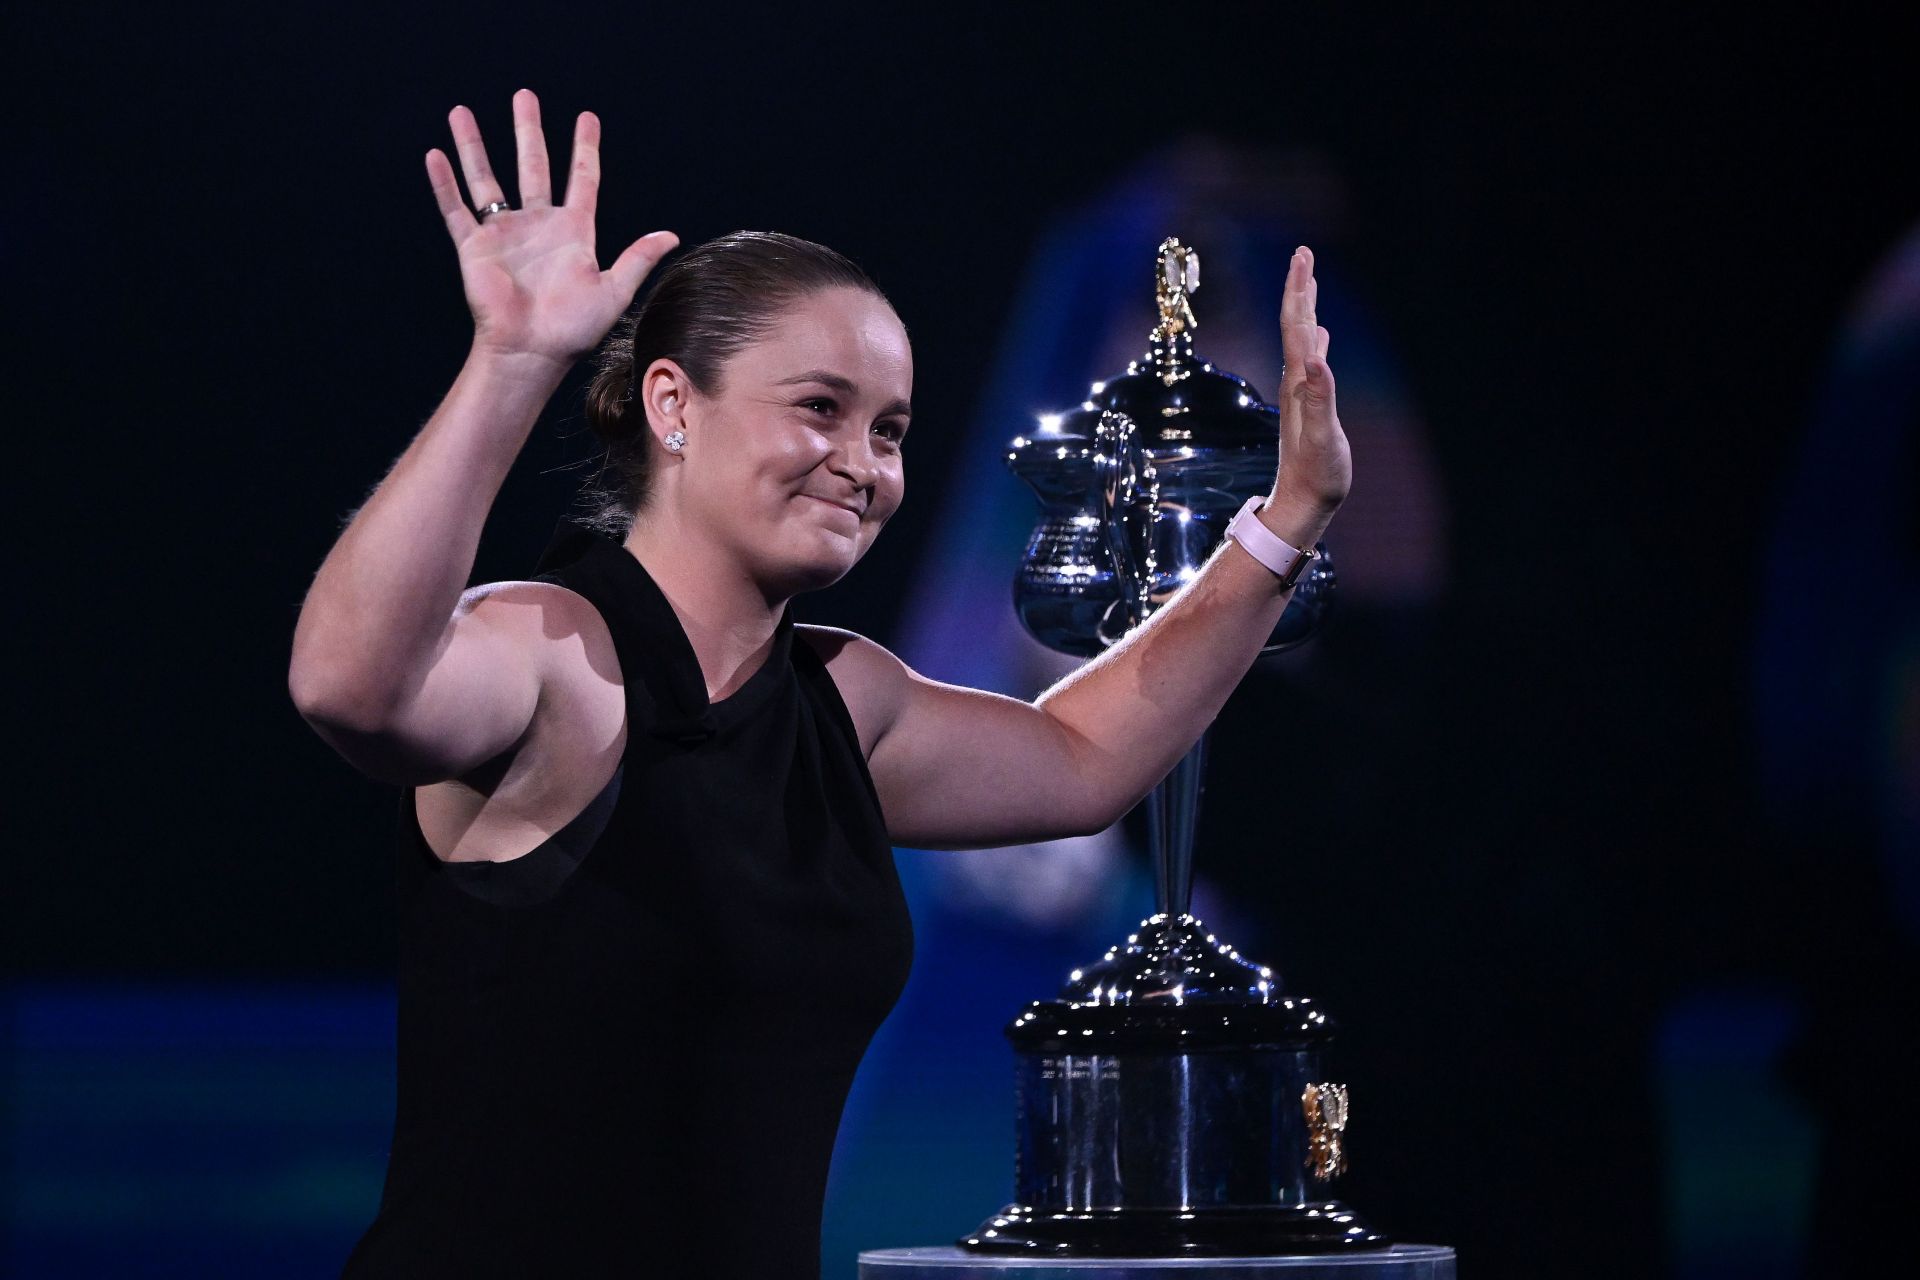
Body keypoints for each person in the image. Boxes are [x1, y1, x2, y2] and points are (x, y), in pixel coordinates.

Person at [288, 89, 1351, 1279]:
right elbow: (350, 682)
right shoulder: (554, 650)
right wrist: (514, 359)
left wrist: (1285, 520)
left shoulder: (848, 700)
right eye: (821, 409)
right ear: (673, 404)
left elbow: (1084, 756)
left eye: (891, 430)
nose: (863, 464)